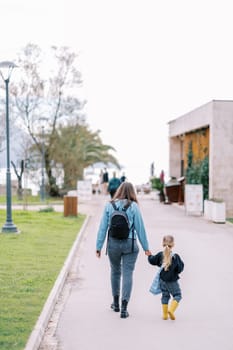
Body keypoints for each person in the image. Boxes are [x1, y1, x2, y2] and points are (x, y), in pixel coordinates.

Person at [96, 182, 151, 319]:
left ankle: (115, 304)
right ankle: (124, 308)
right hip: (130, 245)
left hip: (113, 245)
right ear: (132, 192)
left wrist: (99, 246)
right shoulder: (134, 207)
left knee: (115, 272)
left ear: (119, 190)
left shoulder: (109, 205)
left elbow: (103, 227)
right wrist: (146, 248)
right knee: (128, 274)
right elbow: (140, 228)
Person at [148, 235, 184, 320]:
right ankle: (171, 310)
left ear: (163, 244)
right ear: (173, 244)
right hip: (171, 281)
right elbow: (180, 269)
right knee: (177, 295)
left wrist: (149, 255)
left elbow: (152, 260)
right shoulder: (175, 257)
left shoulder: (161, 255)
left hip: (162, 280)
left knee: (165, 296)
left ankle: (164, 315)